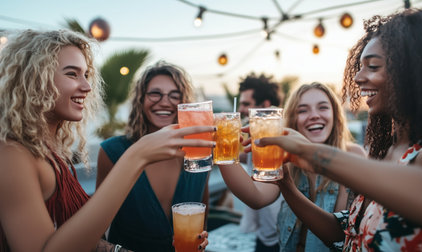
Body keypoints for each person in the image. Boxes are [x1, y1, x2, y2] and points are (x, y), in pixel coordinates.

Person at [252, 8, 422, 250]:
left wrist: (309, 152)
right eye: (360, 66)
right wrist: (288, 187)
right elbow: (344, 232)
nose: (357, 77)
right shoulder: (385, 151)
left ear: (416, 72)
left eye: (373, 66)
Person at [0, 29, 214, 252]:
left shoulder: (50, 151)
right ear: (35, 78)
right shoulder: (11, 152)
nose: (87, 86)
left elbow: (77, 235)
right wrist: (135, 157)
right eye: (72, 74)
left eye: (85, 75)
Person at [220, 82, 365, 251]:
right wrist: (223, 150)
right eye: (303, 110)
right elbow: (256, 197)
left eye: (323, 107)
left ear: (335, 114)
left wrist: (288, 185)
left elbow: (340, 234)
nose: (314, 115)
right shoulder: (284, 156)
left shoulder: (353, 155)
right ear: (292, 120)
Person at [96, 61, 210, 252]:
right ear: (140, 99)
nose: (165, 102)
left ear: (185, 105)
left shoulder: (198, 154)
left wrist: (202, 240)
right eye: (155, 93)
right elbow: (95, 232)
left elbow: (203, 222)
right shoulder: (112, 152)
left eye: (175, 95)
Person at [235, 73, 284, 252]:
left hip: (282, 238)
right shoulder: (258, 138)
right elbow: (247, 157)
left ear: (264, 106)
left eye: (246, 104)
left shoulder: (281, 139)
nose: (240, 109)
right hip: (263, 236)